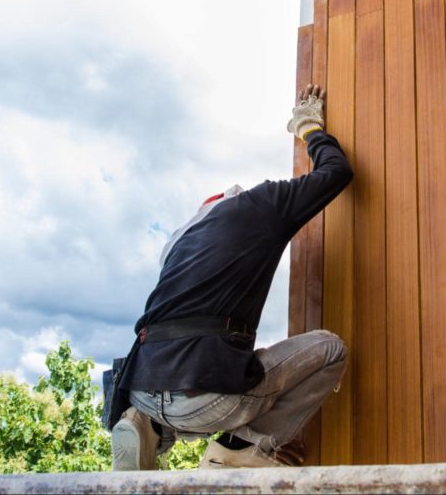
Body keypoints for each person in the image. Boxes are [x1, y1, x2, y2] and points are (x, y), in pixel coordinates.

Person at [107, 84, 353, 469]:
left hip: (138, 386)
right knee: (330, 349)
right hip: (207, 397)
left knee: (190, 360)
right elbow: (336, 172)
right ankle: (241, 450)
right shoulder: (261, 203)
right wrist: (309, 127)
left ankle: (144, 428)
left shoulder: (178, 243)